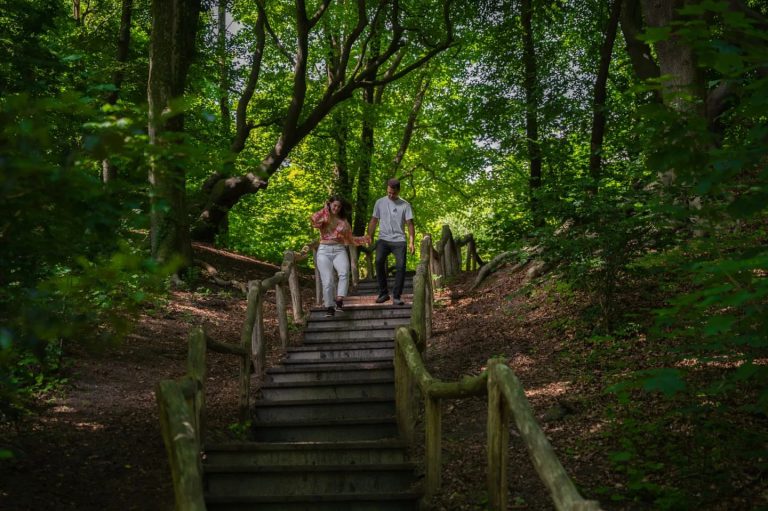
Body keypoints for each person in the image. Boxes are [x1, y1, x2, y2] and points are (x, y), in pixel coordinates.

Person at [310, 195, 370, 317]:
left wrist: (364, 239)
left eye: (339, 206)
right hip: (323, 251)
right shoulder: (323, 215)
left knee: (344, 273)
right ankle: (329, 307)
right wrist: (325, 210)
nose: (336, 208)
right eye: (334, 205)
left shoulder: (344, 221)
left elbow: (349, 239)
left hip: (339, 249)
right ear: (330, 204)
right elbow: (313, 220)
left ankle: (339, 300)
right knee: (328, 281)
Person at [367, 178, 415, 306]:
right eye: (389, 192)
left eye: (393, 193)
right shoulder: (379, 202)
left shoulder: (405, 205)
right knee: (378, 262)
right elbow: (373, 220)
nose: (390, 195)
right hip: (383, 239)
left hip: (399, 240)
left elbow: (410, 224)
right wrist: (369, 236)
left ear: (398, 191)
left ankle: (397, 296)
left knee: (401, 267)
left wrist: (411, 242)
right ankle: (383, 293)